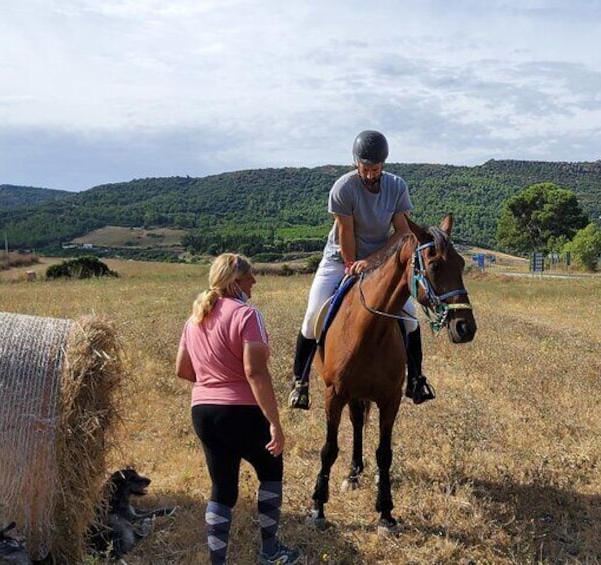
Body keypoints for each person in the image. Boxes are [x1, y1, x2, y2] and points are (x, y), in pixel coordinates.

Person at [289, 129, 434, 410]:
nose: (370, 174)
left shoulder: (396, 186)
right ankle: (300, 381)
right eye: (366, 168)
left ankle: (416, 378)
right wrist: (352, 265)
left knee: (411, 317)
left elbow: (403, 231)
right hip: (339, 258)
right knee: (312, 314)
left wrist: (375, 261)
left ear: (384, 165)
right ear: (356, 163)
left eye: (376, 169)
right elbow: (346, 233)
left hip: (381, 260)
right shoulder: (343, 187)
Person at [176, 253, 301, 565]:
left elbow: (182, 369)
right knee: (271, 471)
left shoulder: (195, 318)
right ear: (235, 283)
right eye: (249, 277)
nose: (254, 281)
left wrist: (210, 380)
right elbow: (255, 372)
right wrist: (275, 422)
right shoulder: (247, 314)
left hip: (203, 411)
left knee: (222, 488)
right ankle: (270, 551)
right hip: (242, 410)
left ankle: (217, 560)